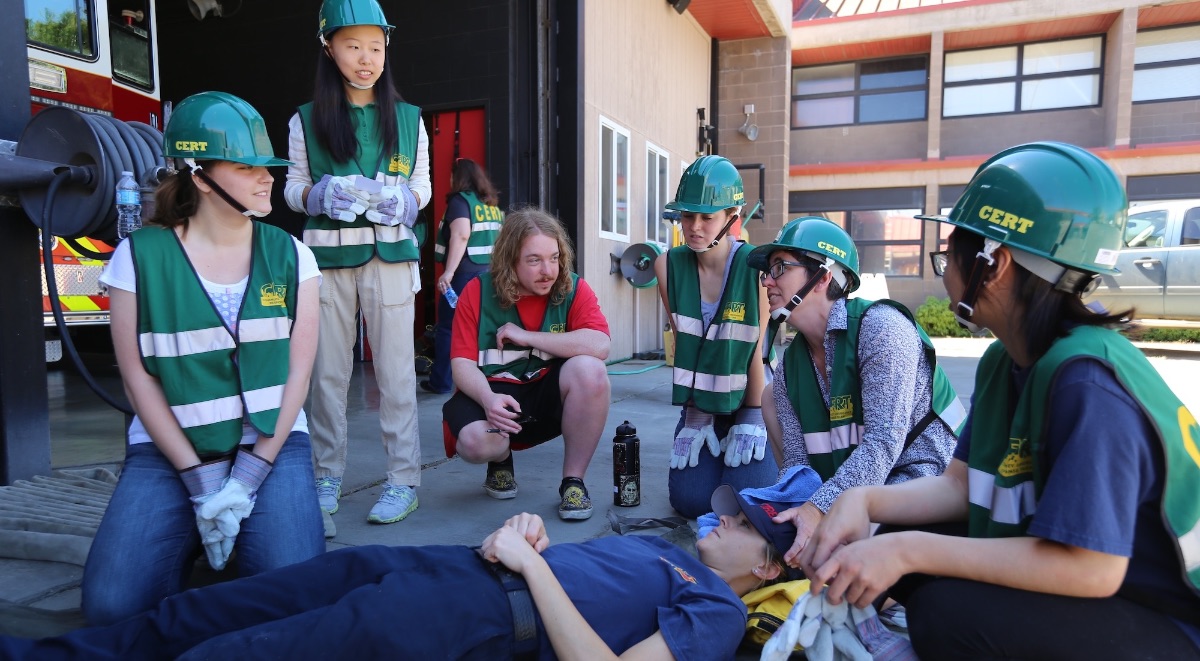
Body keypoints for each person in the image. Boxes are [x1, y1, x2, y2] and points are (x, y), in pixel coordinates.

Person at [800, 142, 1200, 659]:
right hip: (1107, 593)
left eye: (952, 251)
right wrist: (864, 501)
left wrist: (905, 550)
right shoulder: (1004, 361)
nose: (945, 266)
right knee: (902, 543)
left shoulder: (1086, 382)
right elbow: (960, 485)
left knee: (945, 614)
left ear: (995, 262)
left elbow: (1092, 566)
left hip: (1166, 618)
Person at [0, 485, 795, 660]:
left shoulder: (718, 613)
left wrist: (528, 567)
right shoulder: (662, 551)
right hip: (441, 566)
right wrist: (528, 533)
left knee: (239, 655)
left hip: (476, 620)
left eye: (741, 525)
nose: (721, 519)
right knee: (210, 612)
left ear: (765, 566)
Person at [83, 92, 324, 626]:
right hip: (171, 447)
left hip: (269, 441)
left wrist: (251, 474)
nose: (267, 179)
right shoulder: (138, 258)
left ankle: (223, 533)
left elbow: (298, 376)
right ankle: (189, 535)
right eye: (246, 167)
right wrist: (201, 484)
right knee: (110, 604)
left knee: (295, 595)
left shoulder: (292, 255)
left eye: (269, 167)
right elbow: (138, 380)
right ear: (198, 175)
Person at [284, 0, 432, 525]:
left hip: (391, 259)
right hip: (325, 263)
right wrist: (318, 196)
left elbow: (423, 188)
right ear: (328, 47)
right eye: (352, 46)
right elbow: (293, 189)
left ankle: (403, 481)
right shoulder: (306, 119)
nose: (366, 58)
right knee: (326, 376)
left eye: (375, 46)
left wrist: (407, 204)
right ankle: (325, 477)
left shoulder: (410, 119)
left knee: (395, 375)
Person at [747, 216, 965, 565]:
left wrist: (819, 508)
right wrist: (794, 511)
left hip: (922, 483)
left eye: (779, 268)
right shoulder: (791, 367)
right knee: (769, 399)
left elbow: (882, 444)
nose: (767, 283)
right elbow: (798, 466)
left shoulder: (882, 330)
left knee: (834, 558)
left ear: (823, 275)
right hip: (855, 492)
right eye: (767, 272)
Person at [442, 207, 610, 520]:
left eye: (554, 257)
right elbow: (461, 365)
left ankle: (573, 482)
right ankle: (500, 457)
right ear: (510, 260)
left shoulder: (573, 288)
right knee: (477, 443)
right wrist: (488, 400)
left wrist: (528, 337)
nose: (549, 270)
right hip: (493, 397)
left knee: (591, 371)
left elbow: (600, 344)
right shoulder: (477, 292)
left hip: (543, 399)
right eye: (534, 260)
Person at [653, 154, 778, 519]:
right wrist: (694, 415)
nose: (694, 226)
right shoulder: (667, 266)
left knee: (746, 501)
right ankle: (709, 434)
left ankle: (762, 439)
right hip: (702, 405)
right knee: (692, 502)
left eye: (707, 217)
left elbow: (757, 350)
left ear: (731, 217)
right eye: (687, 215)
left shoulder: (756, 266)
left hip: (750, 399)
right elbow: (685, 346)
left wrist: (754, 416)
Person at [422, 157, 504, 394]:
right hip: (490, 275)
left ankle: (441, 382)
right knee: (483, 329)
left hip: (464, 275)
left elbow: (460, 235)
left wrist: (448, 272)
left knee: (448, 328)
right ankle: (489, 380)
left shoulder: (461, 201)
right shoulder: (491, 206)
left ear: (457, 178)